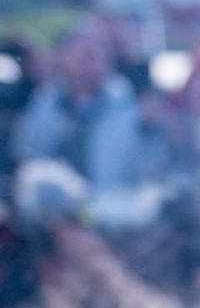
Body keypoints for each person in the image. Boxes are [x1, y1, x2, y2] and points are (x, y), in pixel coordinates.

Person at [14, 24, 143, 196]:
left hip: (113, 208)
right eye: (86, 56)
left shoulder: (129, 106)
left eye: (101, 56)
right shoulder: (45, 102)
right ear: (64, 58)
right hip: (56, 211)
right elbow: (27, 156)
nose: (94, 64)